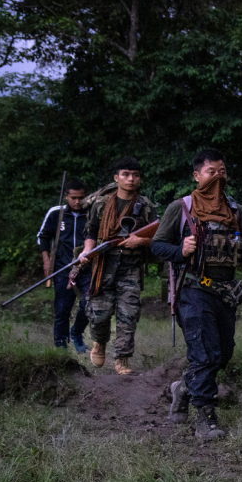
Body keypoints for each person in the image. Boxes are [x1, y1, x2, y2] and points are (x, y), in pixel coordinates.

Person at [151, 148, 242, 440]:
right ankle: (206, 419)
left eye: (222, 172)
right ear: (197, 176)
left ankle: (182, 388)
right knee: (205, 354)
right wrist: (180, 251)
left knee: (222, 354)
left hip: (225, 292)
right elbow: (158, 246)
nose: (217, 178)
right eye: (211, 172)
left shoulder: (235, 209)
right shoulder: (181, 208)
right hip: (193, 290)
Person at [79, 157, 158, 375]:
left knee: (128, 314)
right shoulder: (101, 203)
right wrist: (87, 250)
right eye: (125, 174)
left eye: (135, 175)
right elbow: (91, 231)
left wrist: (140, 241)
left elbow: (160, 237)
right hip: (103, 264)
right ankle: (99, 342)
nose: (131, 179)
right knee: (98, 314)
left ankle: (122, 359)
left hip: (130, 267)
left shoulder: (146, 207)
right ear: (116, 178)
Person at [36, 178, 91, 352]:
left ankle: (76, 332)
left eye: (81, 197)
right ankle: (61, 349)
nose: (77, 201)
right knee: (62, 311)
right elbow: (43, 237)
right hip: (62, 269)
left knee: (90, 304)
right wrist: (46, 261)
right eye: (73, 197)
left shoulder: (92, 213)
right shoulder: (56, 213)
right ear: (66, 196)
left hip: (87, 268)